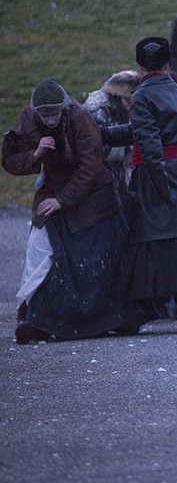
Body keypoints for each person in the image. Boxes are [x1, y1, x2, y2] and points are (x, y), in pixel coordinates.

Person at [4, 79, 128, 344]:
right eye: (44, 114)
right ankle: (32, 315)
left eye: (55, 114)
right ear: (35, 111)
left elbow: (91, 166)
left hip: (94, 194)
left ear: (64, 108)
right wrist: (35, 155)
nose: (50, 119)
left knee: (101, 257)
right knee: (40, 247)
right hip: (52, 187)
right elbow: (9, 159)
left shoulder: (80, 117)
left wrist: (63, 200)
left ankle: (108, 318)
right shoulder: (27, 119)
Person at [112, 38, 177, 334]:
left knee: (150, 242)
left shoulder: (141, 95)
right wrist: (107, 134)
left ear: (140, 67)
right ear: (167, 64)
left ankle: (144, 308)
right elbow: (155, 130)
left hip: (156, 173)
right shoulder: (174, 88)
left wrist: (158, 184)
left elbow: (149, 142)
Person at [83, 70, 141, 204]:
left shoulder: (124, 105)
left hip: (118, 174)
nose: (131, 106)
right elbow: (96, 148)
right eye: (127, 100)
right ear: (117, 95)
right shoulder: (98, 110)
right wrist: (128, 151)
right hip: (100, 177)